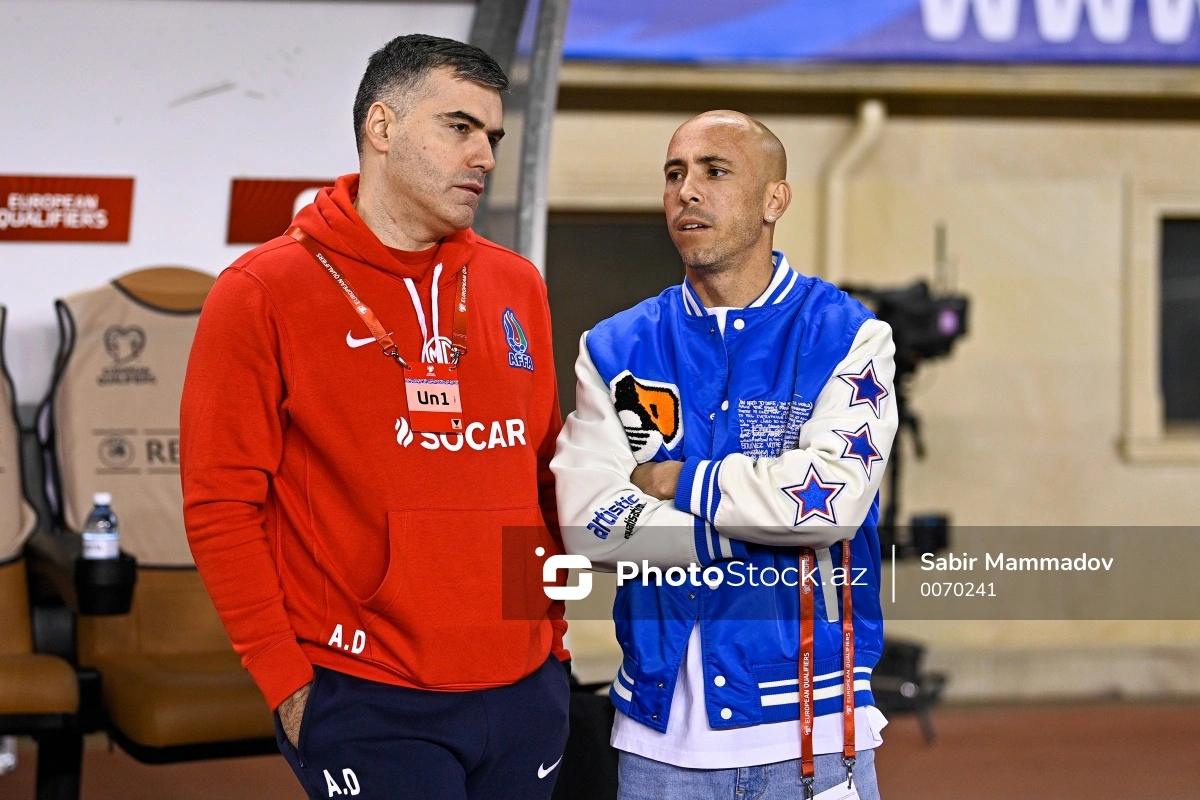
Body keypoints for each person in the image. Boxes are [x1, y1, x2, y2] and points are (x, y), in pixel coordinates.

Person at [180, 34, 569, 800]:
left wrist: (550, 636)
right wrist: (287, 684)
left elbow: (540, 476)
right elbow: (222, 505)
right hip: (365, 692)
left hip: (525, 688)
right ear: (382, 128)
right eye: (459, 127)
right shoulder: (261, 291)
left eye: (491, 136)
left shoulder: (515, 283)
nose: (485, 155)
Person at [552, 111, 898, 799]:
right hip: (656, 744)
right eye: (674, 174)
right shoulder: (617, 347)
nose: (687, 191)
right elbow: (582, 517)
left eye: (715, 171)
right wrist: (745, 528)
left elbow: (825, 502)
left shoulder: (849, 337)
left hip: (816, 736)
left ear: (776, 200)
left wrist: (676, 482)